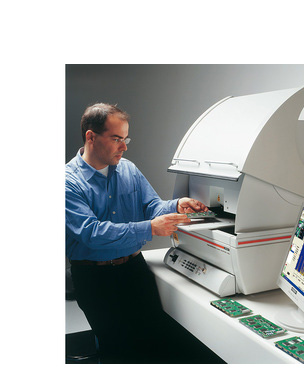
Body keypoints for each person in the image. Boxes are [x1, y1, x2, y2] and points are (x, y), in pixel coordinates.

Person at [66, 103, 208, 363]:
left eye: (126, 139)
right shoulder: (67, 182)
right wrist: (150, 227)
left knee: (154, 343)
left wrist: (176, 205)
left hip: (133, 270)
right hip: (95, 279)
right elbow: (92, 233)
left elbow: (152, 206)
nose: (124, 146)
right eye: (116, 139)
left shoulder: (129, 170)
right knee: (118, 351)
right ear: (91, 137)